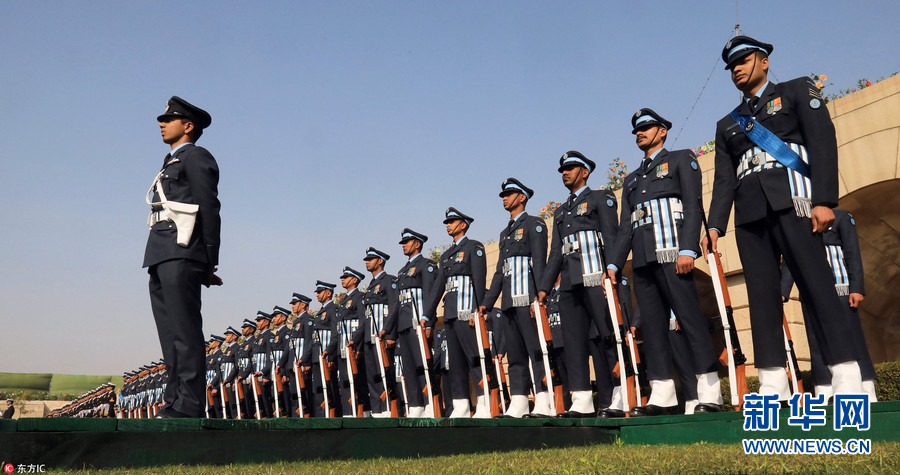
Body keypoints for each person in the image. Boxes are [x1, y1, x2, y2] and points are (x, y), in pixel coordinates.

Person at [704, 36, 863, 399]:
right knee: (762, 297)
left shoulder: (794, 92)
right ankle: (773, 382)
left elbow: (822, 142)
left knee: (817, 286)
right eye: (732, 65)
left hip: (794, 203)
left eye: (744, 60)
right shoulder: (728, 123)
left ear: (764, 61)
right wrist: (714, 225)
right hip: (750, 216)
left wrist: (824, 200)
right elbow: (725, 179)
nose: (737, 68)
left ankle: (845, 373)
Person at [606, 109, 722, 416]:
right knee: (654, 328)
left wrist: (688, 250)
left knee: (690, 321)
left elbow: (693, 206)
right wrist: (614, 265)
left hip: (673, 255)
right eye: (637, 130)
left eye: (646, 127)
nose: (640, 133)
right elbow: (625, 227)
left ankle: (709, 391)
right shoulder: (631, 180)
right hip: (644, 262)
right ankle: (663, 394)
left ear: (662, 131)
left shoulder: (681, 159)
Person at [144, 96, 222, 419]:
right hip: (160, 254)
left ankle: (189, 405)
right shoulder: (170, 162)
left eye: (169, 119)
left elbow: (210, 207)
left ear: (188, 126)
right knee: (170, 334)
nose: (162, 124)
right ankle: (174, 401)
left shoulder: (196, 157)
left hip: (183, 252)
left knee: (185, 331)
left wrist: (209, 260)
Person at [537, 151, 619, 418]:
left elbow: (611, 236)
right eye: (563, 169)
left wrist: (611, 269)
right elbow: (555, 254)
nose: (565, 173)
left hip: (596, 277)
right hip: (570, 284)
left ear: (585, 172)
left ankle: (619, 393)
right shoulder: (561, 212)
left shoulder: (600, 198)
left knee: (608, 336)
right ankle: (582, 398)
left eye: (570, 168)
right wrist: (544, 288)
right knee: (573, 343)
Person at [781, 209, 876, 400]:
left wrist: (856, 288)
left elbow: (852, 252)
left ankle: (866, 390)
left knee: (852, 338)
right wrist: (783, 290)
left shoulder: (841, 217)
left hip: (839, 290)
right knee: (816, 342)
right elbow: (791, 260)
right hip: (810, 293)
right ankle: (824, 391)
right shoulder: (796, 222)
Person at [480, 178, 552, 417]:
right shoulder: (505, 233)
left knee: (536, 351)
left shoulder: (534, 224)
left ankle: (544, 399)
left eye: (509, 194)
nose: (504, 198)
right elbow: (499, 273)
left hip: (528, 299)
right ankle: (519, 400)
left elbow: (539, 263)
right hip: (509, 302)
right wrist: (487, 304)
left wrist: (540, 296)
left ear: (522, 197)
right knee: (516, 355)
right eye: (503, 195)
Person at [425, 208, 489, 418]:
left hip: (467, 311)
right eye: (447, 222)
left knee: (475, 358)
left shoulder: (473, 247)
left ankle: (485, 402)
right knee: (456, 363)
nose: (448, 225)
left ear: (463, 225)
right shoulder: (446, 256)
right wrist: (427, 315)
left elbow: (479, 280)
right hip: (451, 315)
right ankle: (461, 405)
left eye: (452, 222)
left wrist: (478, 309)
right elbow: (438, 288)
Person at [389, 228, 439, 417]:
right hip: (404, 325)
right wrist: (392, 332)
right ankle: (416, 405)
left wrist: (429, 323)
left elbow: (430, 296)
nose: (403, 245)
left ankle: (431, 403)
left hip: (419, 324)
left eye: (407, 242)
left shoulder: (426, 265)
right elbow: (397, 305)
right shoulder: (402, 271)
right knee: (409, 368)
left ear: (417, 244)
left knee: (423, 364)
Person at [362, 247, 400, 418]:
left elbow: (394, 306)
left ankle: (389, 408)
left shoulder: (389, 281)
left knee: (386, 373)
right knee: (373, 376)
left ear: (380, 261)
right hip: (370, 338)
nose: (367, 262)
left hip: (383, 336)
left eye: (370, 259)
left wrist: (390, 333)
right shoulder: (371, 286)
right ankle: (377, 410)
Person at [336, 267, 368, 417]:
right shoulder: (344, 301)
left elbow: (363, 323)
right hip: (343, 347)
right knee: (345, 381)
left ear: (354, 280)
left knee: (358, 380)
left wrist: (358, 346)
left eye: (346, 277)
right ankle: (349, 412)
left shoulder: (359, 297)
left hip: (353, 347)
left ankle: (363, 411)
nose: (342, 279)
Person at [285, 293, 314, 417]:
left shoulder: (308, 320)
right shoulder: (297, 321)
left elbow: (310, 342)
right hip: (294, 365)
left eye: (294, 304)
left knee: (305, 394)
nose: (292, 306)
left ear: (303, 305)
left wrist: (305, 361)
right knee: (295, 395)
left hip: (302, 364)